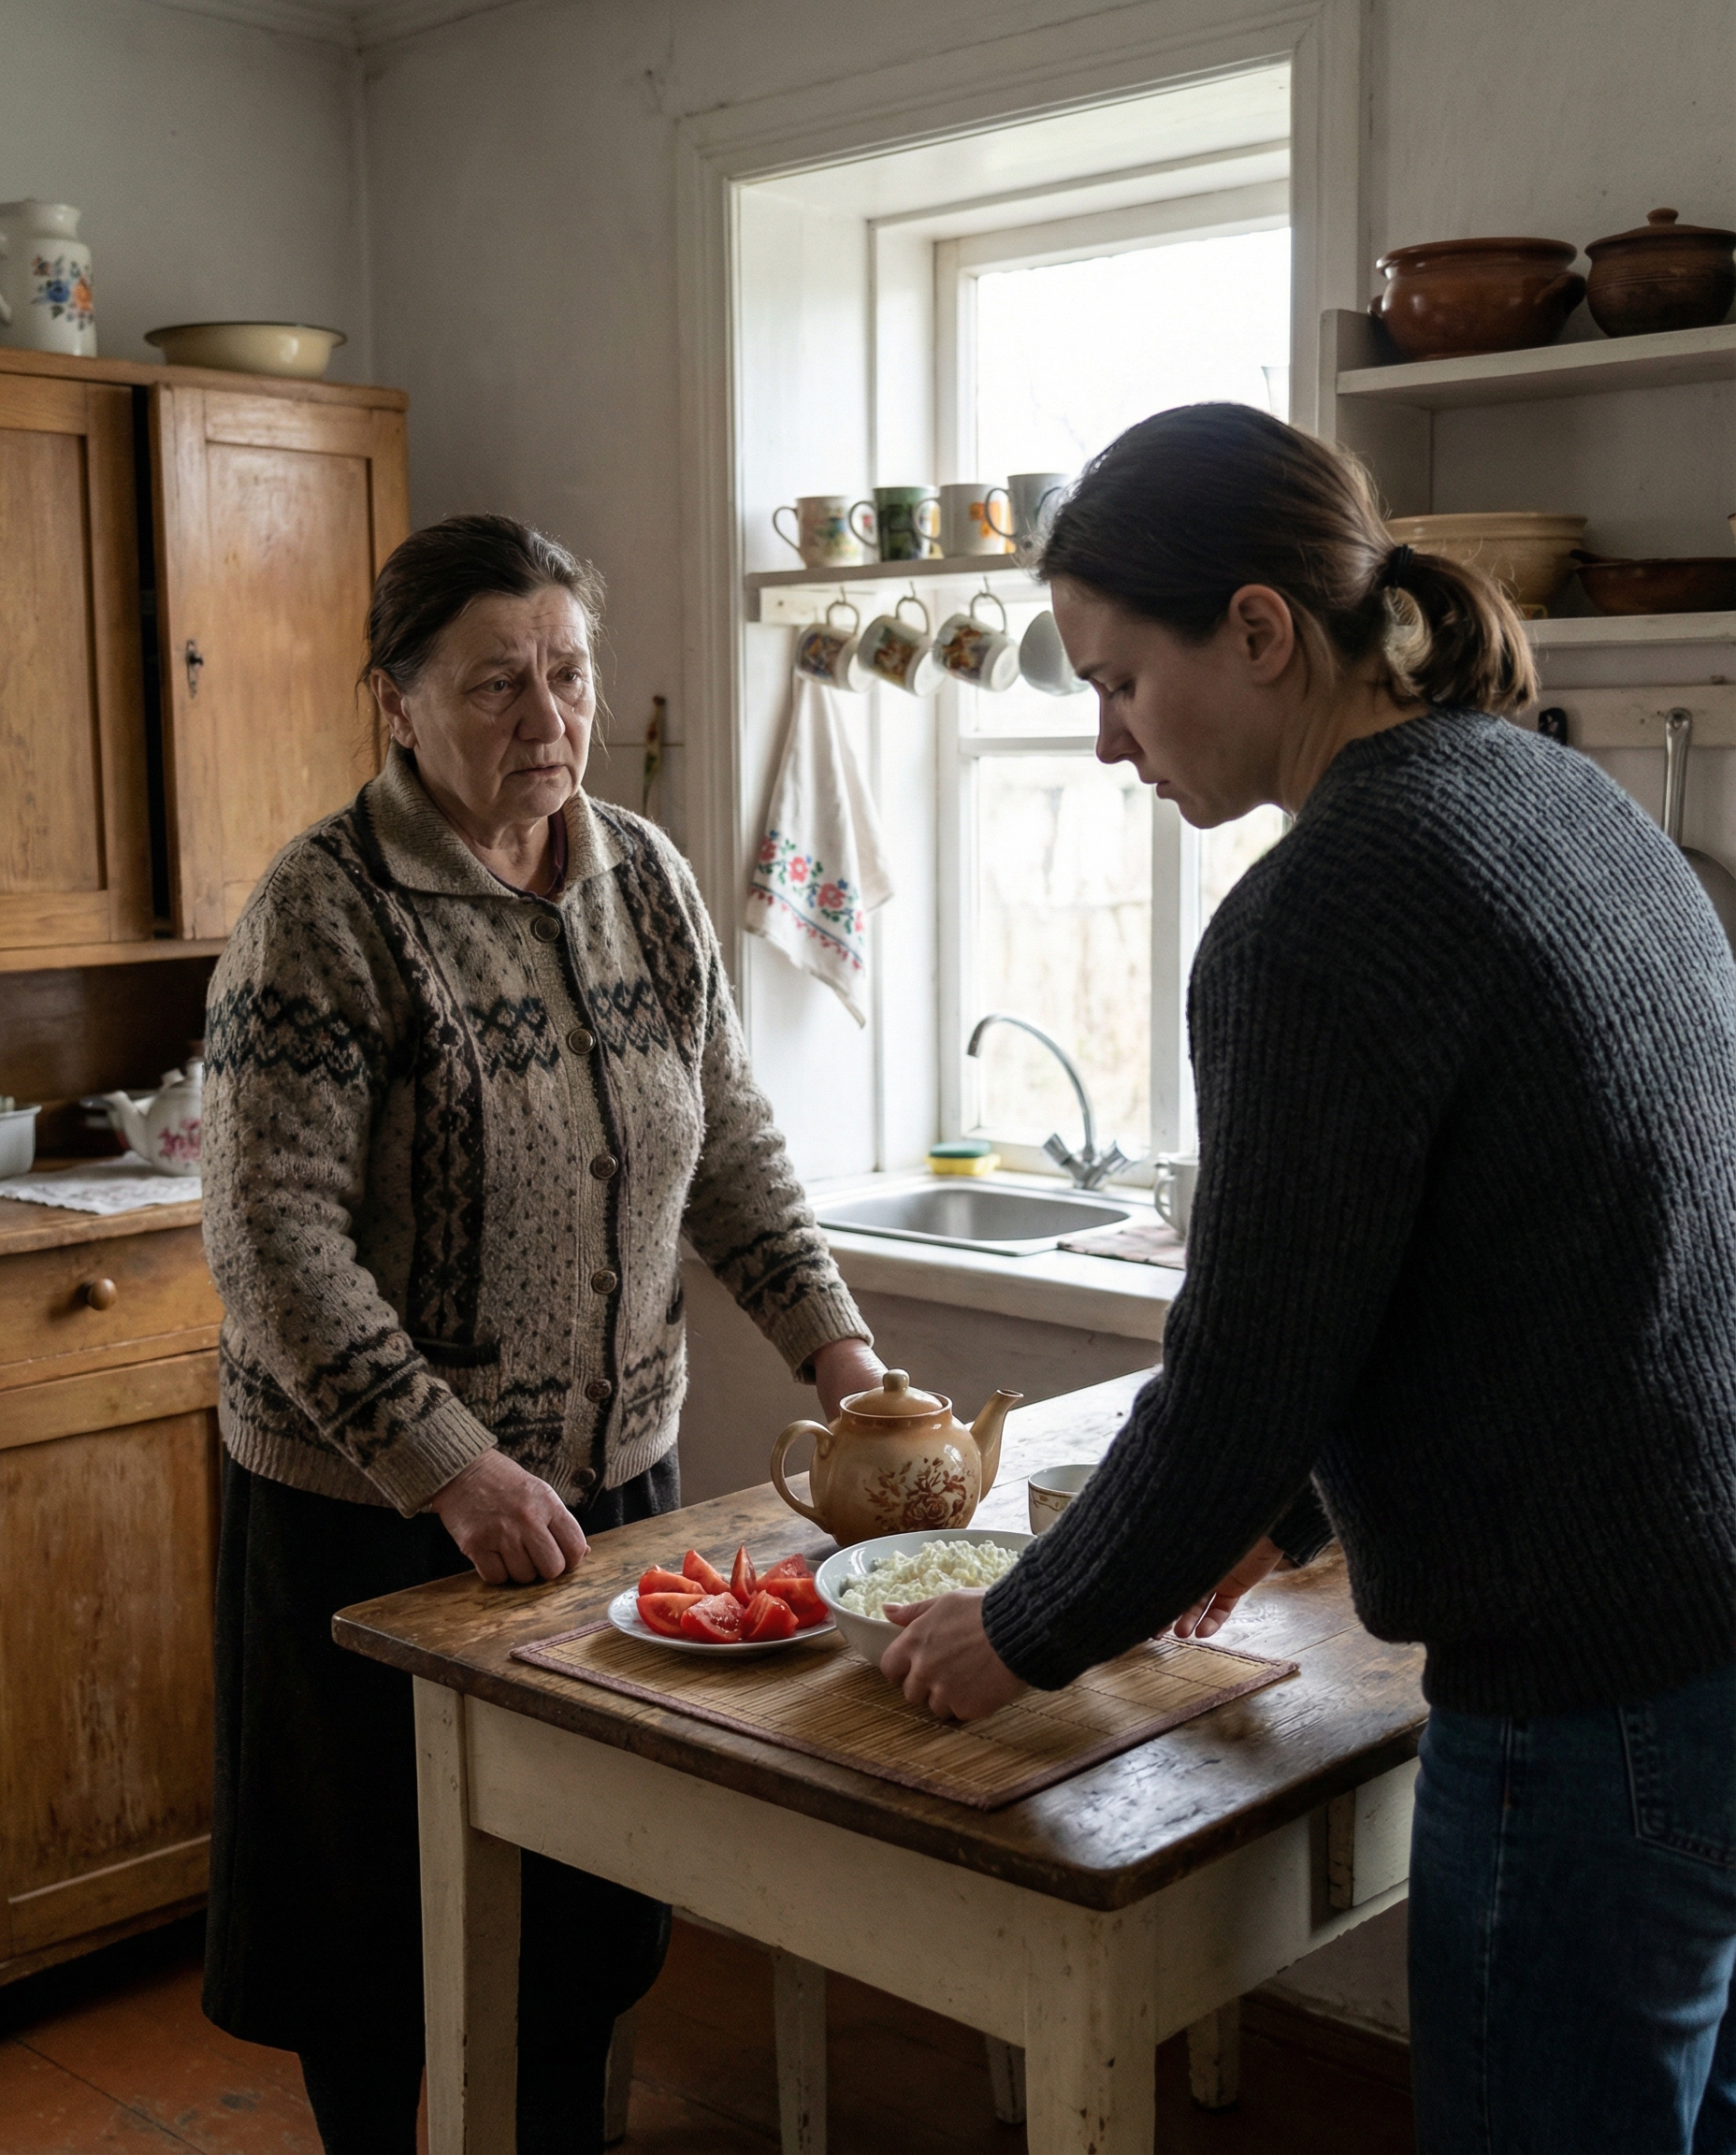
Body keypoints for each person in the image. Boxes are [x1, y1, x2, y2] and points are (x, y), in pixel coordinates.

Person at [880, 404, 1736, 2153]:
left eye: (1121, 681)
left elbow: (1245, 1371)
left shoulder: (1316, 912)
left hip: (1599, 1696)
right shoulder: (1557, 789)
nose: (1113, 746)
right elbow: (1513, 1253)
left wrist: (1024, 1630)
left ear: (1261, 631)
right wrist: (1305, 1514)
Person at [199, 513, 883, 2155]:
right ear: (396, 701)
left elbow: (727, 1141)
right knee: (369, 1930)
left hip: (604, 1502)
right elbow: (270, 1236)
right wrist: (452, 1467)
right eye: (496, 683)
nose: (546, 719)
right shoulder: (327, 910)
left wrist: (842, 1357)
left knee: (585, 1909)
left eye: (567, 674)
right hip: (366, 1519)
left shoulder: (643, 878)